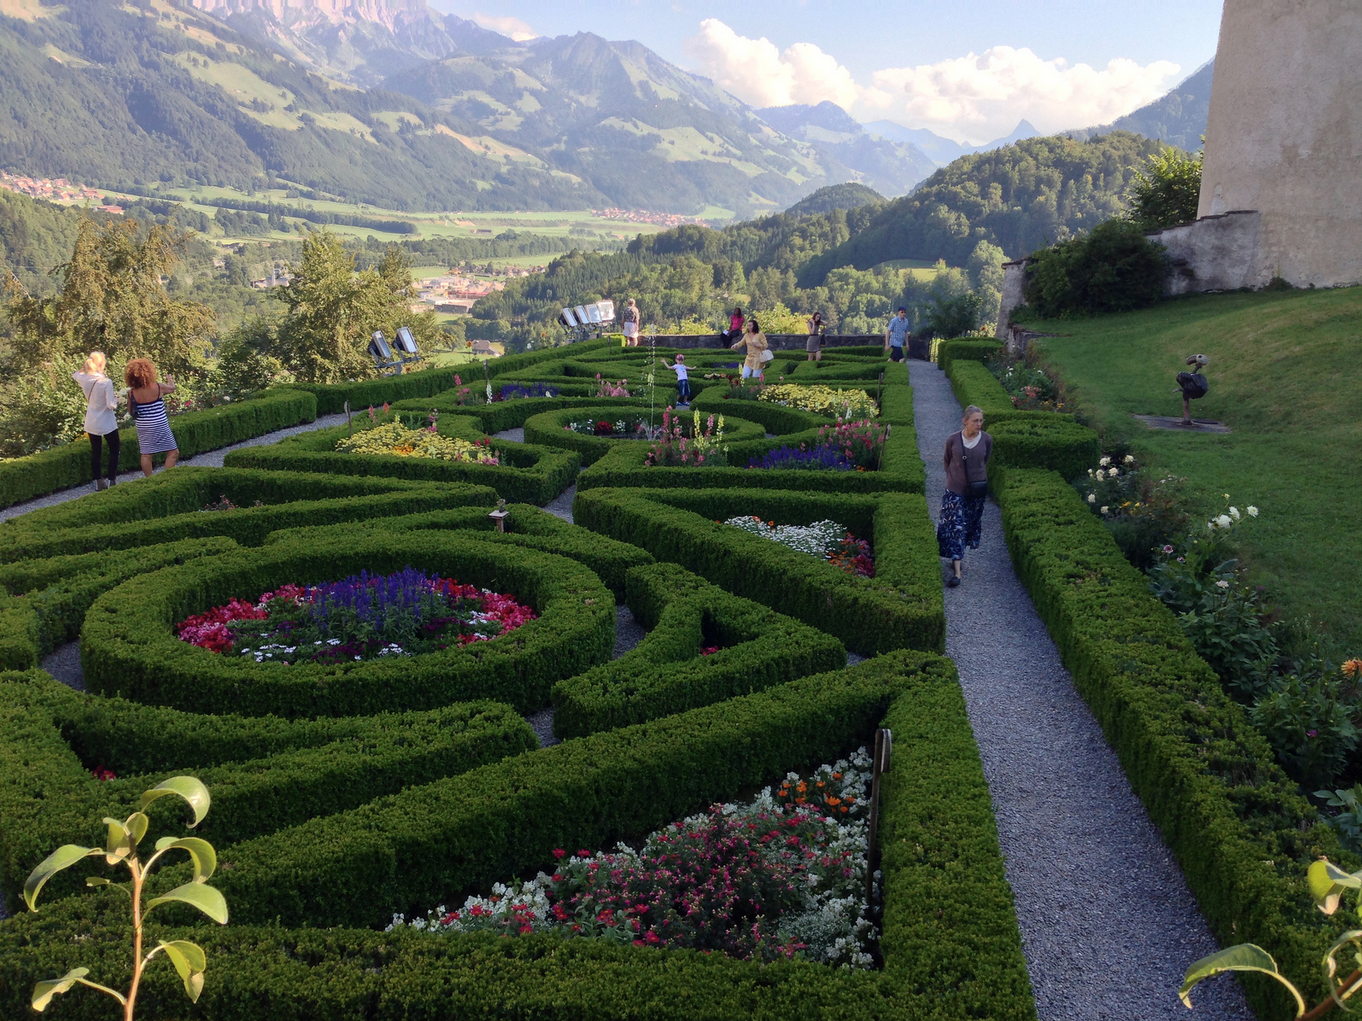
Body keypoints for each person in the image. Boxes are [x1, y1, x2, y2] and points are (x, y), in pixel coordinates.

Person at [937, 405, 992, 588]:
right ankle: (957, 573)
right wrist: (954, 479)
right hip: (955, 490)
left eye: (981, 420)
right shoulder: (953, 439)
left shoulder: (986, 440)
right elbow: (947, 461)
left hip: (976, 492)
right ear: (965, 421)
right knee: (956, 527)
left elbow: (984, 461)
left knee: (967, 526)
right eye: (975, 420)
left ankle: (956, 558)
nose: (979, 424)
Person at [72, 351, 120, 491]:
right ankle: (112, 479)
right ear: (101, 364)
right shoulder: (105, 382)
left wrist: (85, 367)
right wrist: (117, 400)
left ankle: (99, 481)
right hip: (106, 421)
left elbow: (75, 374)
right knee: (114, 449)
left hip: (92, 420)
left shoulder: (84, 378)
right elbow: (110, 405)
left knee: (96, 451)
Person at [124, 358, 179, 477]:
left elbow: (130, 411)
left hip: (143, 426)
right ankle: (167, 478)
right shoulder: (158, 387)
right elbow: (172, 389)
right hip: (160, 423)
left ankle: (150, 480)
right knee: (173, 452)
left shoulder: (131, 393)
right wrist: (170, 381)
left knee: (146, 454)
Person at [1175, 353, 1210, 425]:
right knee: (1185, 397)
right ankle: (1186, 419)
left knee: (1185, 398)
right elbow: (1189, 362)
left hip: (1194, 388)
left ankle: (1187, 419)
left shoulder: (1187, 378)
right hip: (1194, 388)